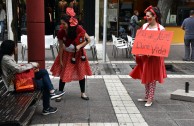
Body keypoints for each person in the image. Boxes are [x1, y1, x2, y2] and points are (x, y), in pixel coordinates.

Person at [0, 40, 65, 115]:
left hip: (18, 79)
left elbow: (16, 68)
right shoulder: (6, 59)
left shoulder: (7, 57)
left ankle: (52, 91)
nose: (17, 48)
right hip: (16, 84)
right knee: (44, 84)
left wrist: (31, 69)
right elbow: (18, 69)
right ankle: (46, 108)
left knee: (43, 72)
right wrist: (31, 65)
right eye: (15, 47)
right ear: (10, 48)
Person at [50, 0, 92, 102]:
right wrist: (60, 59)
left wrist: (80, 46)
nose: (62, 26)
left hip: (79, 54)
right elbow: (60, 46)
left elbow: (88, 39)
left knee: (81, 72)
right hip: (67, 55)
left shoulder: (78, 28)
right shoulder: (61, 32)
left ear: (69, 22)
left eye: (64, 24)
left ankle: (83, 93)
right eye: (61, 24)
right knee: (64, 73)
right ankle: (59, 94)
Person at [129, 6, 167, 107]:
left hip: (155, 59)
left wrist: (153, 52)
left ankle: (150, 98)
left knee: (153, 78)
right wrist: (135, 51)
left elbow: (163, 46)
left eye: (148, 16)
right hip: (145, 57)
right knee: (146, 76)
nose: (146, 18)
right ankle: (146, 96)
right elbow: (139, 40)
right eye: (146, 16)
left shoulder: (161, 29)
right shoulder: (145, 26)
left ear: (154, 16)